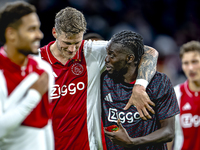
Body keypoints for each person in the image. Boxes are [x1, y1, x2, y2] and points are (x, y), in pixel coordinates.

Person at [39, 7, 159, 150]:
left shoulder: (92, 52)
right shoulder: (35, 62)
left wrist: (140, 87)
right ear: (54, 32)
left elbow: (149, 52)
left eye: (76, 43)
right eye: (67, 43)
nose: (72, 49)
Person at [101, 30, 180, 150]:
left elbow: (168, 132)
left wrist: (133, 142)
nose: (106, 59)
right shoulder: (105, 81)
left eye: (112, 55)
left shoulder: (159, 82)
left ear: (129, 58)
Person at [0, 2, 54, 150]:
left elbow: (45, 124)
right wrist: (34, 95)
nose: (39, 35)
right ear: (11, 34)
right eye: (31, 29)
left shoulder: (44, 69)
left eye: (38, 28)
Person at [170, 41, 200, 150]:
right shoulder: (175, 94)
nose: (190, 68)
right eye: (186, 63)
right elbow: (167, 137)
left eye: (195, 62)